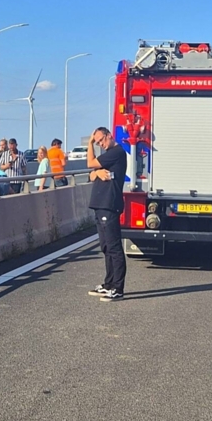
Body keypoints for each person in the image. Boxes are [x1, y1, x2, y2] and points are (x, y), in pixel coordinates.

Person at [86, 127, 127, 302]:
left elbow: (90, 163)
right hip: (100, 205)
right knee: (105, 247)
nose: (100, 145)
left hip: (109, 205)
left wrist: (89, 144)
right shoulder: (109, 154)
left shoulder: (116, 152)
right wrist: (96, 173)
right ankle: (108, 284)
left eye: (101, 140)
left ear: (109, 135)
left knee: (113, 246)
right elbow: (91, 173)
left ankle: (118, 288)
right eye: (97, 143)